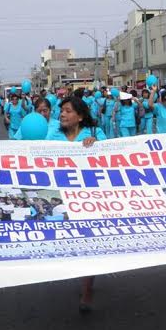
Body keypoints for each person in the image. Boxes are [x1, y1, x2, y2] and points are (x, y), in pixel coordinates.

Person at [47, 96, 106, 311]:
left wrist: (96, 146)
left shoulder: (94, 134)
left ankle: (87, 288)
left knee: (88, 243)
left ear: (80, 117)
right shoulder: (53, 136)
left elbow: (110, 157)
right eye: (61, 110)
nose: (62, 114)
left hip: (88, 198)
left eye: (68, 111)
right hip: (62, 197)